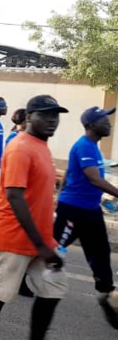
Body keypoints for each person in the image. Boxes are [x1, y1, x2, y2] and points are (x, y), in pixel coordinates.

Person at [0, 95, 69, 340]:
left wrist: (46, 242)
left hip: (40, 239)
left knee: (53, 288)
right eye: (45, 114)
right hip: (13, 237)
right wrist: (41, 245)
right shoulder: (20, 147)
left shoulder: (42, 147)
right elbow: (15, 197)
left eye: (55, 115)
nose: (51, 120)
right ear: (28, 117)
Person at [54, 106, 118, 329]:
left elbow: (70, 174)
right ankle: (25, 277)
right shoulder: (84, 146)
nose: (109, 123)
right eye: (104, 120)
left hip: (90, 210)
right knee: (55, 250)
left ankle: (107, 297)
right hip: (73, 210)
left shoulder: (93, 147)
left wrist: (60, 192)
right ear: (91, 125)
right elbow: (94, 179)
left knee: (100, 253)